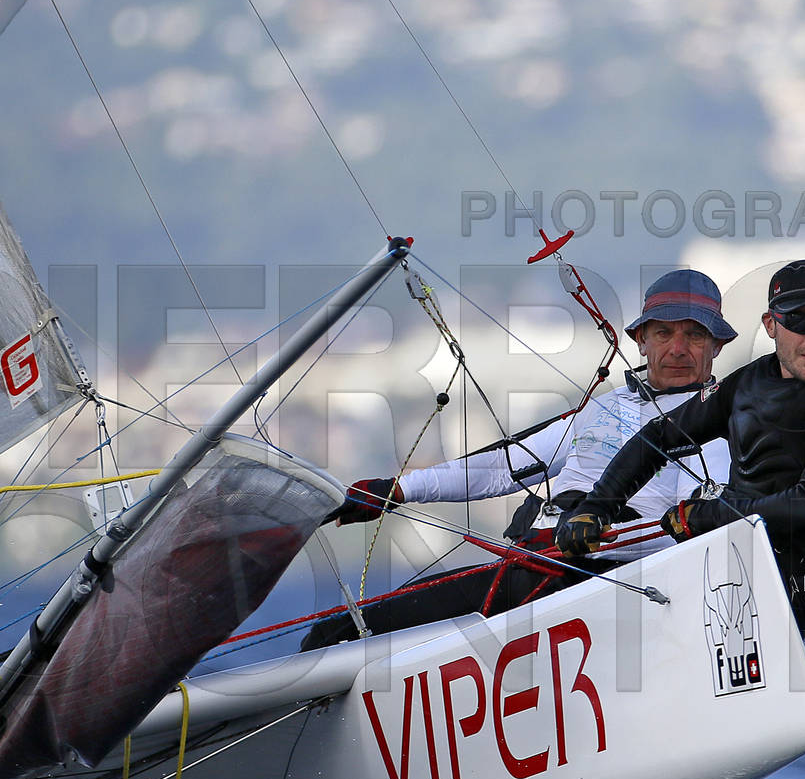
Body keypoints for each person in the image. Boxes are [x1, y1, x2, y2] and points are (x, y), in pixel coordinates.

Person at [301, 270, 736, 648]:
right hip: (534, 569)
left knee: (349, 633)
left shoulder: (717, 429)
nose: (678, 348)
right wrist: (396, 491)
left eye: (695, 335)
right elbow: (503, 467)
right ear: (641, 341)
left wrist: (591, 536)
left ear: (716, 346)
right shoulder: (604, 408)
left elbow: (694, 534)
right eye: (664, 333)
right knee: (339, 632)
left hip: (604, 589)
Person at [556, 258, 805, 634]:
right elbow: (658, 436)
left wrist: (704, 517)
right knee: (571, 574)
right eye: (800, 321)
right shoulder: (751, 381)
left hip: (799, 581)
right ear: (771, 324)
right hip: (733, 556)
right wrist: (596, 507)